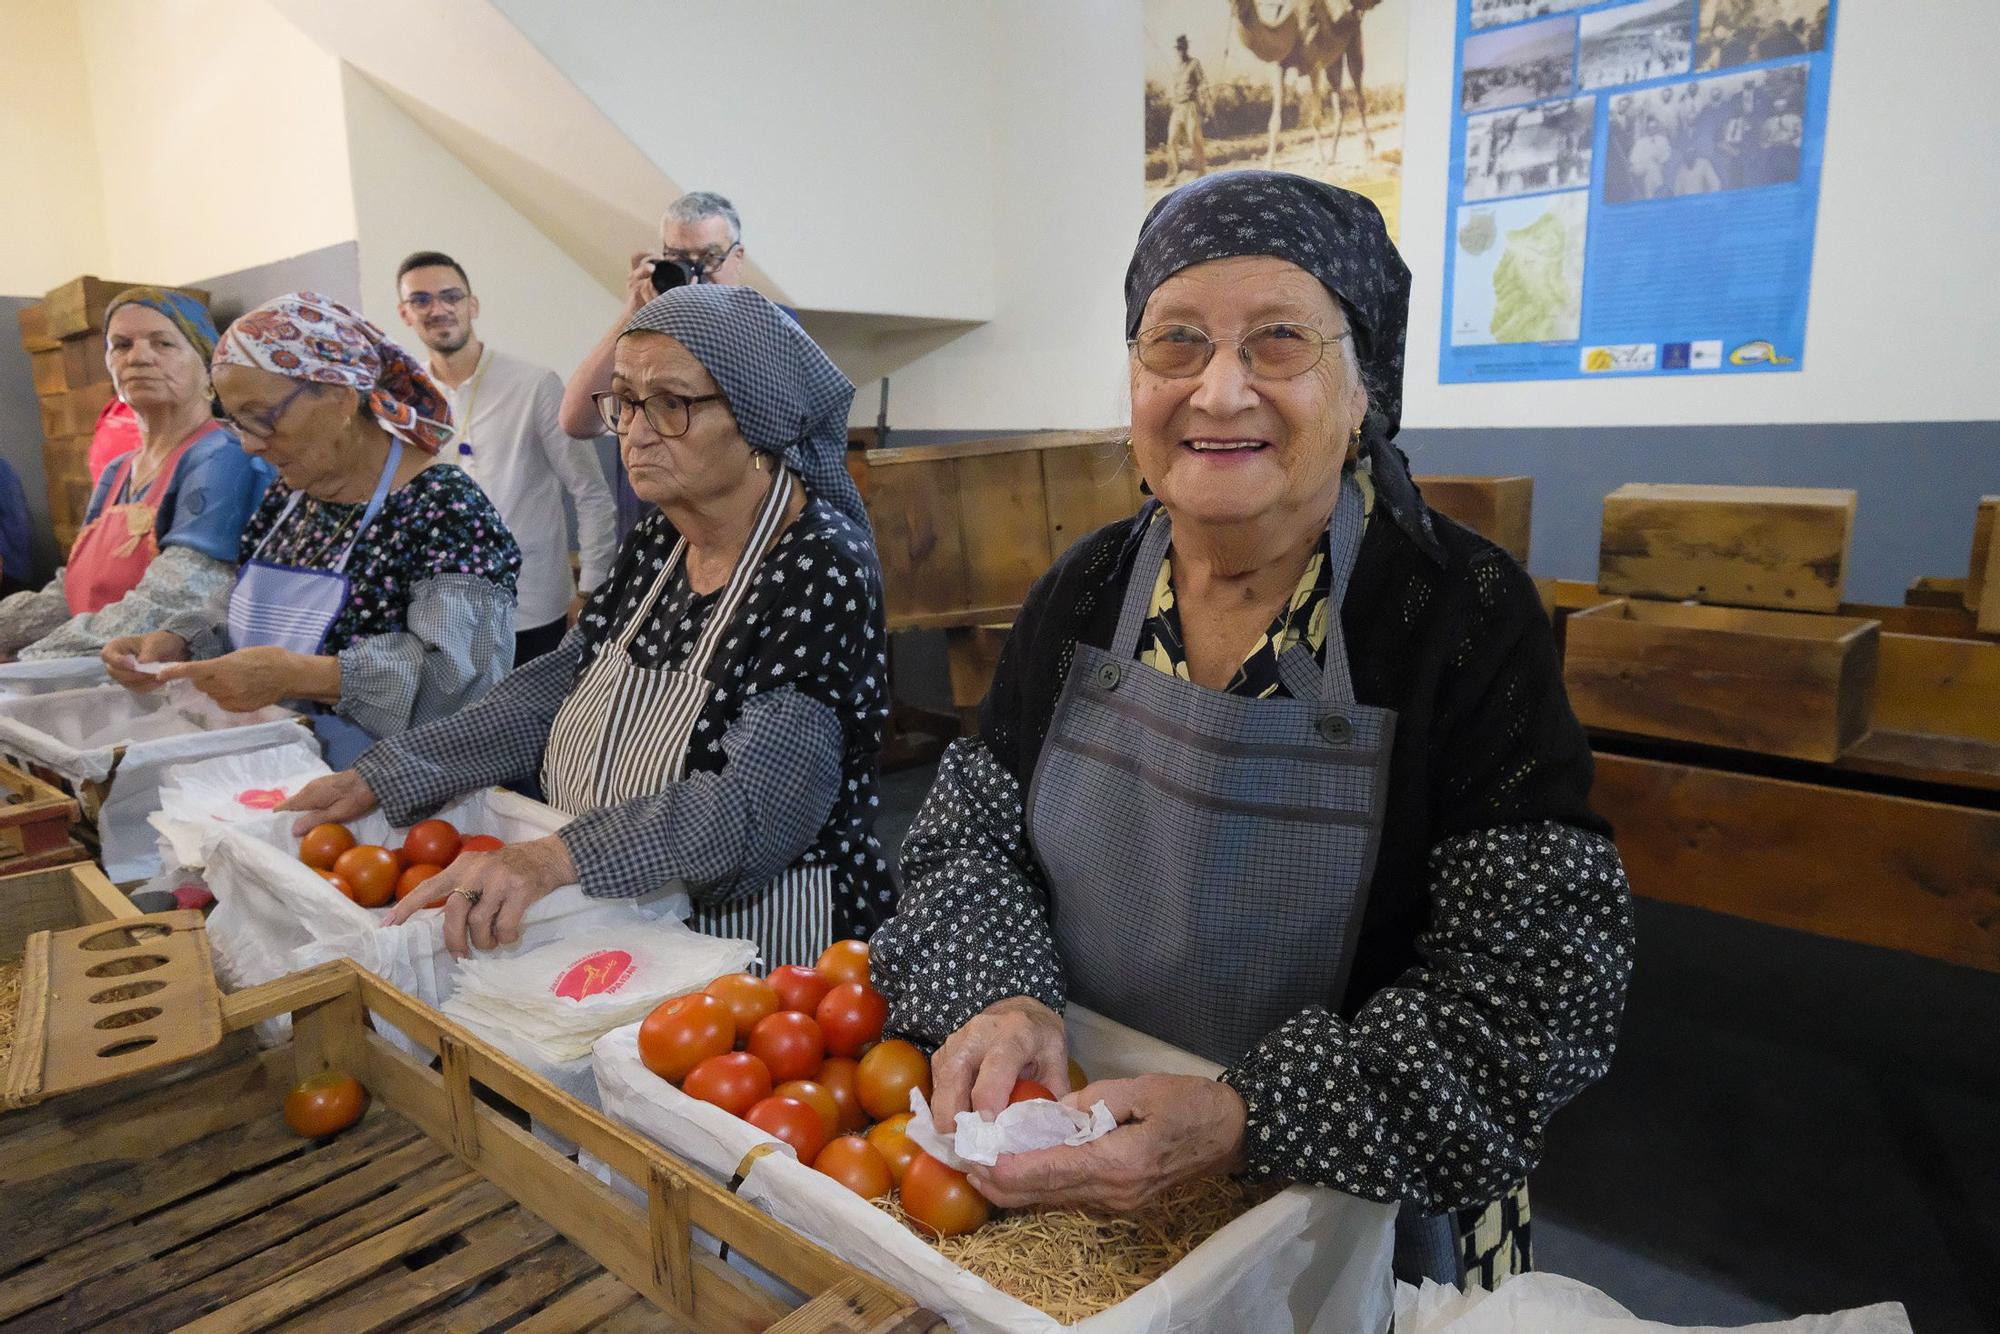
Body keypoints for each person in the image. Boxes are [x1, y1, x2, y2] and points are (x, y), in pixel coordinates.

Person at [869, 172, 1633, 1289]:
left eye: (1277, 340)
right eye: (1173, 343)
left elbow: (1532, 993)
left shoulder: (1456, 616)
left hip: (1353, 1210)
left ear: (1362, 384)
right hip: (1084, 1175)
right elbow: (965, 843)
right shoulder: (1080, 596)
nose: (1217, 392)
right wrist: (1003, 993)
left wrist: (1246, 1112)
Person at [282, 286, 895, 970]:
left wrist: (558, 855)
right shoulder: (662, 538)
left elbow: (756, 807)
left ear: (760, 421)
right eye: (626, 401)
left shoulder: (820, 563)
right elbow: (556, 687)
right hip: (626, 912)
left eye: (672, 404)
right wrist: (393, 771)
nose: (633, 429)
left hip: (766, 939)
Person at [100, 293, 520, 767]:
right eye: (235, 422)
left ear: (340, 398)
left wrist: (305, 675)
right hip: (281, 773)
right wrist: (183, 641)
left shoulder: (445, 508)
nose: (250, 445)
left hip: (404, 795)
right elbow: (244, 606)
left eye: (261, 419)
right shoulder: (291, 495)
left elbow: (460, 681)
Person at [0, 289, 266, 662]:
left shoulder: (222, 455)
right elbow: (71, 591)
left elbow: (177, 599)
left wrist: (34, 659)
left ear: (207, 364)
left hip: (171, 683)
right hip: (96, 677)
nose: (139, 357)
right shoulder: (119, 469)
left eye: (164, 343)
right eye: (121, 345)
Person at [396, 250, 618, 665]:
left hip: (533, 607)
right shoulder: (406, 401)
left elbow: (590, 492)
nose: (438, 309)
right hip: (444, 618)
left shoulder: (534, 385)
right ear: (405, 313)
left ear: (472, 305)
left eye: (450, 296)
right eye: (421, 300)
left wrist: (591, 588)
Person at [558, 192, 771, 536]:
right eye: (679, 258)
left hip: (738, 534)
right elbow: (575, 421)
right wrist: (633, 311)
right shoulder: (645, 333)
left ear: (738, 258)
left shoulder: (768, 326)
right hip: (651, 533)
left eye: (710, 257)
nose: (696, 274)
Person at [1165, 34, 1208, 182]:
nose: (1180, 51)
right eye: (1178, 49)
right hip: (1177, 107)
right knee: (1171, 140)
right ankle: (1172, 174)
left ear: (1186, 49)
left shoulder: (1194, 63)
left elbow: (1203, 83)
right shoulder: (1177, 68)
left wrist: (1204, 102)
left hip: (1190, 106)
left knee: (1193, 138)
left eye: (1182, 48)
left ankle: (1201, 171)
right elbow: (1175, 87)